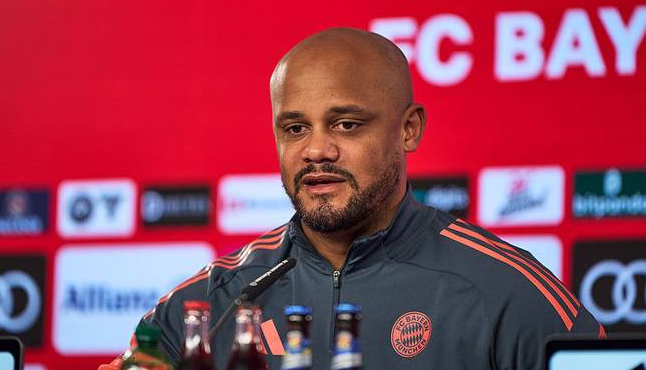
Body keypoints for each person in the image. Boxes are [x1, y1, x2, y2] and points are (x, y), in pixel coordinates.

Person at [100, 28, 603, 370]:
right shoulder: (210, 303)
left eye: (346, 124)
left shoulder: (504, 290)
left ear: (409, 130)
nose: (317, 149)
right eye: (295, 128)